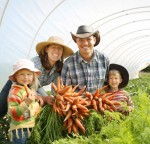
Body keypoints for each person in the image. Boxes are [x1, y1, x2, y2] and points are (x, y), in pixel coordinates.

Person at [0, 36, 74, 117]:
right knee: (1, 108)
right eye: (53, 47)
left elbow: (56, 88)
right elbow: (25, 86)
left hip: (34, 88)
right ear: (46, 49)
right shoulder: (35, 63)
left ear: (62, 52)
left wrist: (57, 100)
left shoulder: (58, 68)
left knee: (29, 112)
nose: (56, 50)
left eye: (59, 48)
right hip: (18, 85)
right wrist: (41, 97)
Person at [61, 25, 109, 94]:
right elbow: (65, 89)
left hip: (99, 102)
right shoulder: (68, 63)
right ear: (76, 42)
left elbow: (108, 84)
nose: (85, 43)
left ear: (94, 40)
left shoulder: (104, 59)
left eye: (88, 39)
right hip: (77, 103)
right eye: (80, 40)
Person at [7, 59, 43, 144]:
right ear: (16, 76)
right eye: (22, 74)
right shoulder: (15, 92)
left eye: (29, 74)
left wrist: (37, 98)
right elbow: (13, 113)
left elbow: (32, 102)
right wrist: (26, 103)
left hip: (29, 126)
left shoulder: (30, 89)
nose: (26, 77)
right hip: (19, 129)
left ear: (33, 76)